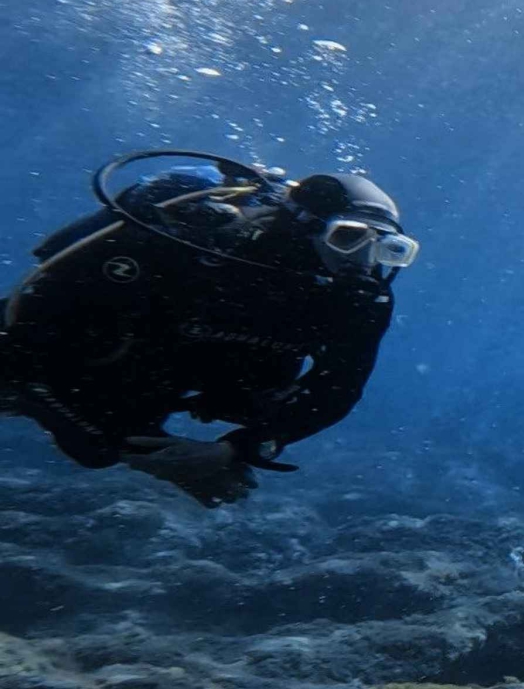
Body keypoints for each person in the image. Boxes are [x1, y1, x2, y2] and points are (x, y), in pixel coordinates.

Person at [0, 150, 419, 507]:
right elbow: (26, 338)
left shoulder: (360, 299)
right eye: (349, 238)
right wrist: (128, 450)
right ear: (303, 224)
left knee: (265, 398)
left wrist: (237, 449)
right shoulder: (189, 247)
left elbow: (337, 389)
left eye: (388, 249)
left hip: (191, 370)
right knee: (94, 446)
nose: (362, 262)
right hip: (77, 356)